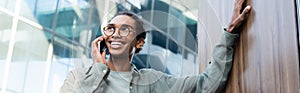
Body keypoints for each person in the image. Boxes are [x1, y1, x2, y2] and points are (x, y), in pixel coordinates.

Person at [60, 1, 252, 93]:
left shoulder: (153, 81)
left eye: (125, 29)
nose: (116, 34)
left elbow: (206, 85)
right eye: (111, 29)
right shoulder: (77, 78)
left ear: (139, 42)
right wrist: (98, 70)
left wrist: (230, 33)